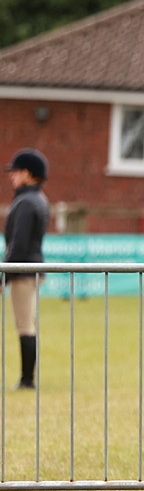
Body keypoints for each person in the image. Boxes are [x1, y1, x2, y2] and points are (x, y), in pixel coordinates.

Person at [4, 149, 50, 389]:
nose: (12, 176)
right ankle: (26, 378)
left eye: (16, 172)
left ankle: (27, 379)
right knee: (26, 322)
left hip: (23, 272)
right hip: (31, 269)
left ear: (29, 174)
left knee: (25, 324)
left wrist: (4, 274)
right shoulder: (39, 199)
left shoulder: (25, 202)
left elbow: (17, 245)